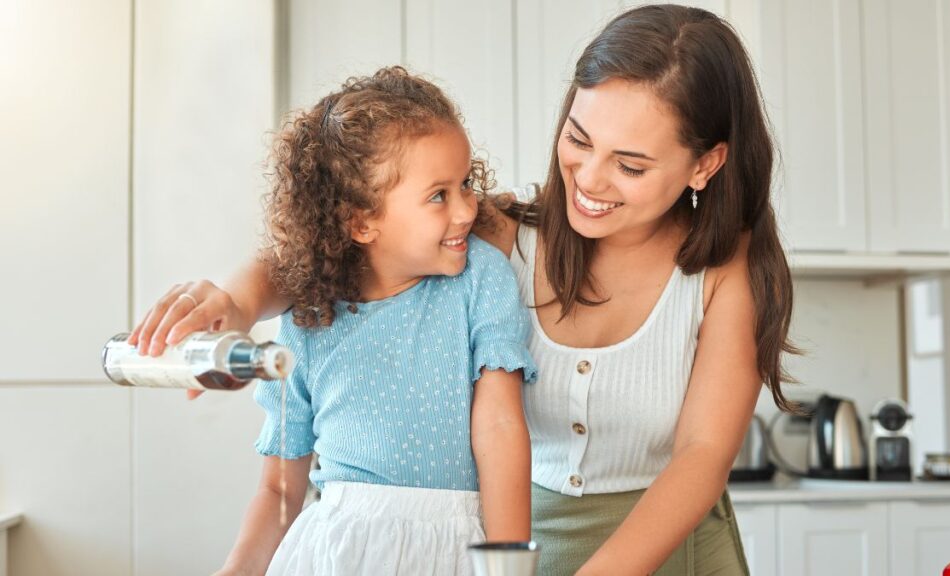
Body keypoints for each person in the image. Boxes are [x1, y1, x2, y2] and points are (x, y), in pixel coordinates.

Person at [133, 5, 796, 575]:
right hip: (522, 546)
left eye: (630, 164)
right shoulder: (499, 231)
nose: (588, 180)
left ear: (705, 163)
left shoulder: (729, 269)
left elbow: (702, 456)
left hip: (670, 550)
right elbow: (342, 244)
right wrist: (236, 301)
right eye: (578, 139)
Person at [131, 66, 537, 575]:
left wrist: (508, 566)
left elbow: (500, 427)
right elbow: (280, 487)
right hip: (333, 555)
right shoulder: (309, 320)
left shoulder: (481, 280)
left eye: (464, 185)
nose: (466, 210)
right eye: (439, 195)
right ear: (361, 221)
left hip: (452, 550)